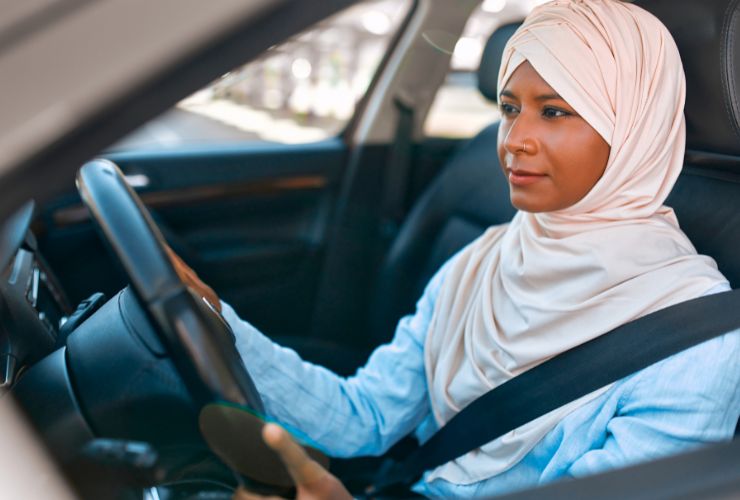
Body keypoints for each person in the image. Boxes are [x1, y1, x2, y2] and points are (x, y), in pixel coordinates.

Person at [173, 0, 740, 497]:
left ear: (634, 129)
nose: (515, 139)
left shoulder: (695, 340)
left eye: (555, 111)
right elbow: (364, 418)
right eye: (509, 108)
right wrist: (217, 323)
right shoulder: (484, 261)